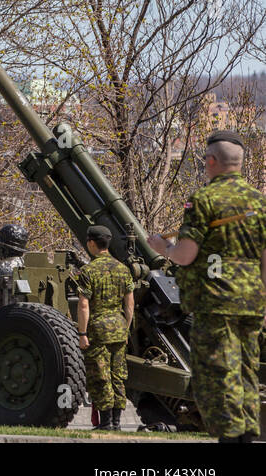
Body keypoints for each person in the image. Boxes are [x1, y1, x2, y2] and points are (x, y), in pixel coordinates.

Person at [148, 130, 266, 442]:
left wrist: (162, 248)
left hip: (215, 304)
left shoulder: (202, 200)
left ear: (211, 161)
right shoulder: (259, 202)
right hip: (253, 304)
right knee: (247, 373)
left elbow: (186, 255)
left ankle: (229, 437)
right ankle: (248, 436)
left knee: (217, 375)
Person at [76, 224, 134, 431]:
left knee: (100, 376)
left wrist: (82, 333)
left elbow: (83, 304)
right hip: (119, 329)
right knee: (118, 376)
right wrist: (126, 329)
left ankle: (106, 422)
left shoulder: (88, 270)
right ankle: (117, 423)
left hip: (98, 331)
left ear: (92, 243)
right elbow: (129, 304)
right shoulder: (123, 269)